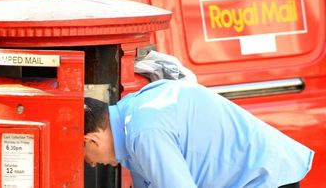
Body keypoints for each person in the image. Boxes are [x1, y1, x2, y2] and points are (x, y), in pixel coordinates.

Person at [84, 79, 314, 188]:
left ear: (91, 140)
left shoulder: (144, 132)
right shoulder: (132, 111)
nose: (92, 164)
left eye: (86, 157)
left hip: (264, 178)